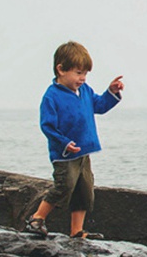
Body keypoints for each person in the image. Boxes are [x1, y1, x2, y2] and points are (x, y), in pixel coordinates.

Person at [25, 40, 124, 240]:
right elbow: (47, 126)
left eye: (85, 73)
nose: (83, 78)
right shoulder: (51, 97)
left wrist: (111, 92)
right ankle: (36, 219)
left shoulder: (85, 91)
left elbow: (100, 105)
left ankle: (77, 231)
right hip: (64, 154)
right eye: (78, 73)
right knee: (64, 186)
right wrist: (63, 142)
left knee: (85, 191)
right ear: (61, 69)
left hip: (83, 152)